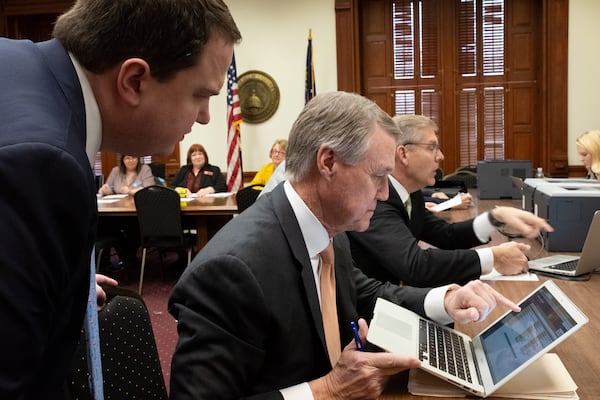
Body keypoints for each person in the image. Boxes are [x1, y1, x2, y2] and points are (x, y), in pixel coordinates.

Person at [168, 92, 521, 400]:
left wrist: (445, 299)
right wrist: (328, 391)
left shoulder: (325, 228)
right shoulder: (232, 269)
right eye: (378, 176)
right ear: (328, 162)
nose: (384, 193)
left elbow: (364, 294)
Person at [0, 0, 240, 398]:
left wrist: (45, 277)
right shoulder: (41, 166)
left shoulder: (17, 60)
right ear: (133, 81)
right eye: (200, 94)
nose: (205, 117)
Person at [347, 114, 553, 288]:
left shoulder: (411, 194)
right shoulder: (377, 199)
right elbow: (415, 266)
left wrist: (494, 218)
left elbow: (446, 236)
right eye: (432, 148)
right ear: (403, 153)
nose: (441, 156)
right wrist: (494, 258)